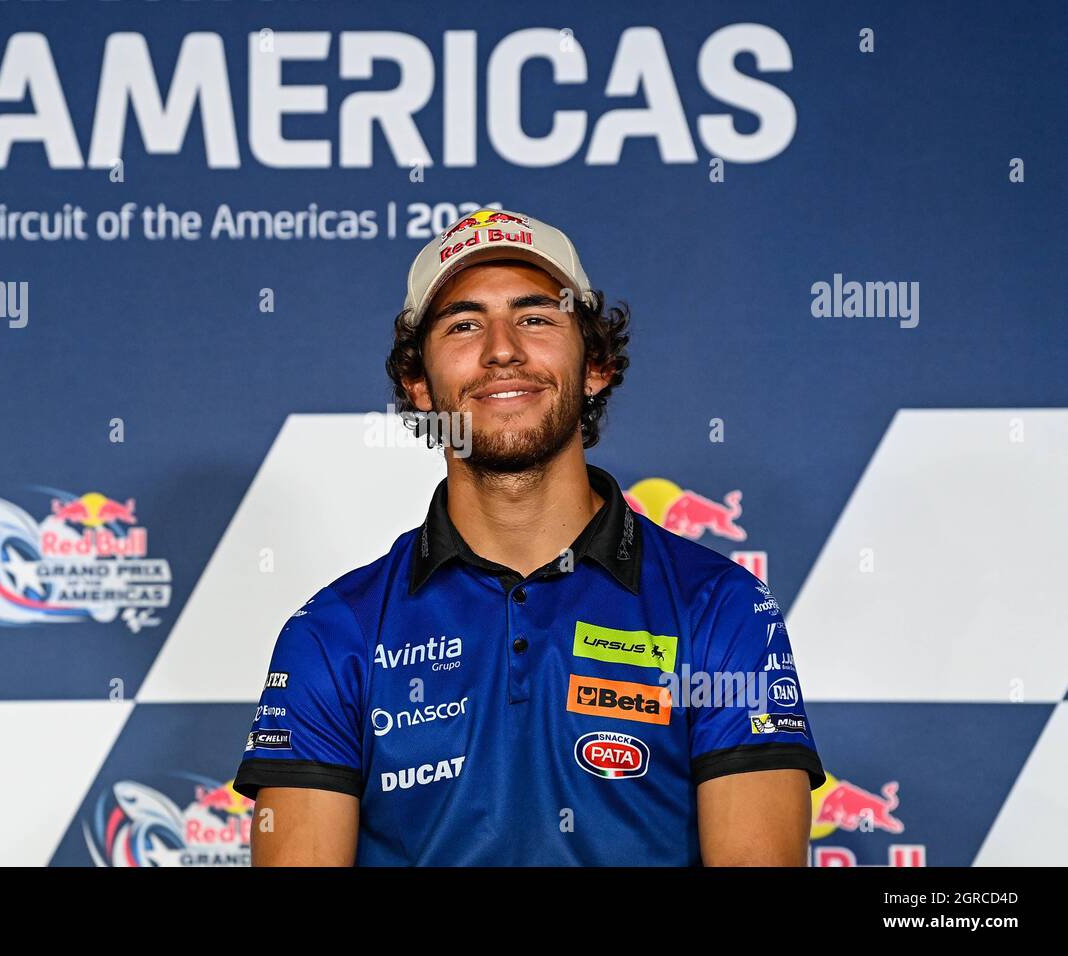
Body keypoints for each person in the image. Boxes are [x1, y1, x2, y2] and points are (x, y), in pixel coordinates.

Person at [233, 208, 824, 865]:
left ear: (596, 363)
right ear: (419, 384)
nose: (502, 349)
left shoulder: (721, 609)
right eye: (463, 324)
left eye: (536, 317)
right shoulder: (333, 632)